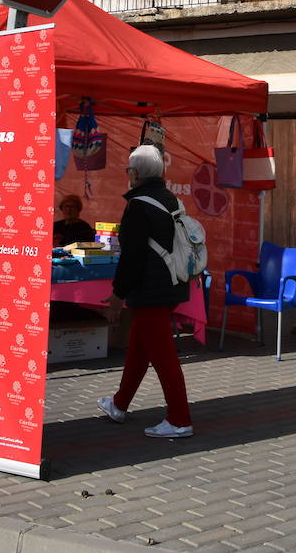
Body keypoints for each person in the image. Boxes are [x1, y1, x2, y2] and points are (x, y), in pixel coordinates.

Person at [97, 145, 193, 439]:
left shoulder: (139, 205)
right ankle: (118, 404)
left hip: (151, 291)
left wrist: (117, 294)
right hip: (170, 284)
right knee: (138, 349)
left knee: (164, 358)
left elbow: (132, 256)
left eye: (128, 170)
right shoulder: (169, 199)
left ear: (135, 173)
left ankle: (179, 419)